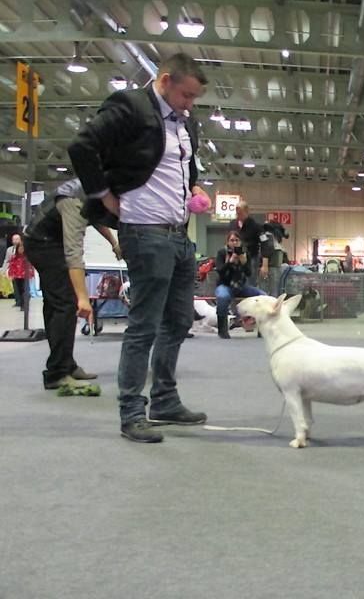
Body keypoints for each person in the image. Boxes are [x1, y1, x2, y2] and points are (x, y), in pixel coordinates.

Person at [68, 53, 210, 443]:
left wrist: (194, 187)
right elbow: (82, 147)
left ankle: (164, 400)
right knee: (144, 325)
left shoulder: (186, 123)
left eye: (194, 98)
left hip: (179, 235)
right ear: (164, 80)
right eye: (186, 95)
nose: (190, 104)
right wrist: (104, 196)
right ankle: (132, 411)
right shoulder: (129, 106)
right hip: (145, 233)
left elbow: (185, 166)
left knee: (179, 320)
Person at [23, 178, 119, 389]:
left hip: (49, 242)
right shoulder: (73, 201)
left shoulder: (92, 189)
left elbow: (95, 217)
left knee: (57, 304)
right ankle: (57, 373)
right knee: (65, 304)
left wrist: (113, 243)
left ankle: (66, 364)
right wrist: (83, 298)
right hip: (43, 245)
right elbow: (73, 254)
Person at [215, 231, 266, 339]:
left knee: (263, 296)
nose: (234, 243)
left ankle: (262, 329)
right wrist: (229, 262)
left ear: (240, 242)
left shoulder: (244, 253)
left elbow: (249, 274)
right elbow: (220, 272)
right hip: (225, 285)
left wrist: (244, 263)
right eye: (232, 240)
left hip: (241, 286)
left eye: (237, 240)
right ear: (227, 242)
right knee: (223, 297)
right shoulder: (222, 252)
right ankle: (222, 330)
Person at [229, 200, 269, 284]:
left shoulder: (256, 226)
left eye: (240, 213)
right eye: (237, 213)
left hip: (251, 259)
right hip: (235, 258)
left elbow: (265, 244)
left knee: (249, 283)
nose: (238, 215)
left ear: (247, 212)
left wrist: (265, 265)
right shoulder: (232, 224)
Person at [6, 237, 32, 311]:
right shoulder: (14, 257)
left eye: (22, 248)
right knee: (19, 290)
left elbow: (30, 267)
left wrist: (30, 274)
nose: (21, 249)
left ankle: (25, 304)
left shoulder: (27, 258)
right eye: (20, 248)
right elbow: (12, 266)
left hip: (25, 276)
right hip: (17, 276)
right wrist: (11, 274)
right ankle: (21, 303)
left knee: (25, 290)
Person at [1, 233, 24, 307]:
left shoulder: (23, 248)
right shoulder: (9, 250)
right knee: (15, 286)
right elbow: (6, 260)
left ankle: (23, 302)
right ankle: (18, 301)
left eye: (17, 239)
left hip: (22, 270)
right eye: (14, 239)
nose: (15, 241)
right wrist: (3, 270)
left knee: (23, 287)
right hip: (13, 271)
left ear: (20, 240)